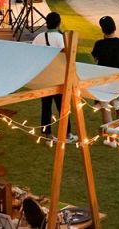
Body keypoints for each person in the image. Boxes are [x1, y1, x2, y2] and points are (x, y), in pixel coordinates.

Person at [33, 12, 77, 142]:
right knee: (63, 106)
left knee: (46, 106)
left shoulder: (39, 37)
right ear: (58, 23)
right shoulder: (61, 38)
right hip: (58, 77)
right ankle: (67, 133)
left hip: (44, 76)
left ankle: (47, 135)